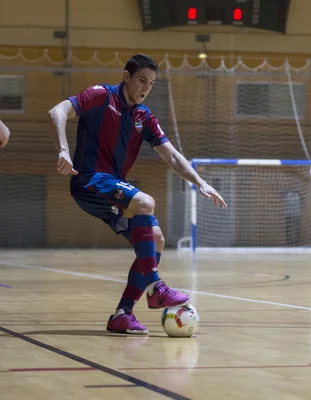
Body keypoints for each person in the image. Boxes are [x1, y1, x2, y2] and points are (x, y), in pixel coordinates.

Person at [48, 53, 227, 335]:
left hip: (109, 188)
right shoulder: (100, 96)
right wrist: (62, 150)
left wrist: (199, 181)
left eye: (152, 83)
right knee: (145, 202)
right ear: (126, 77)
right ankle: (156, 287)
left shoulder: (144, 117)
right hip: (88, 180)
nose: (146, 87)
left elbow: (173, 157)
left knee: (156, 240)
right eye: (141, 80)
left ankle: (122, 314)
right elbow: (57, 112)